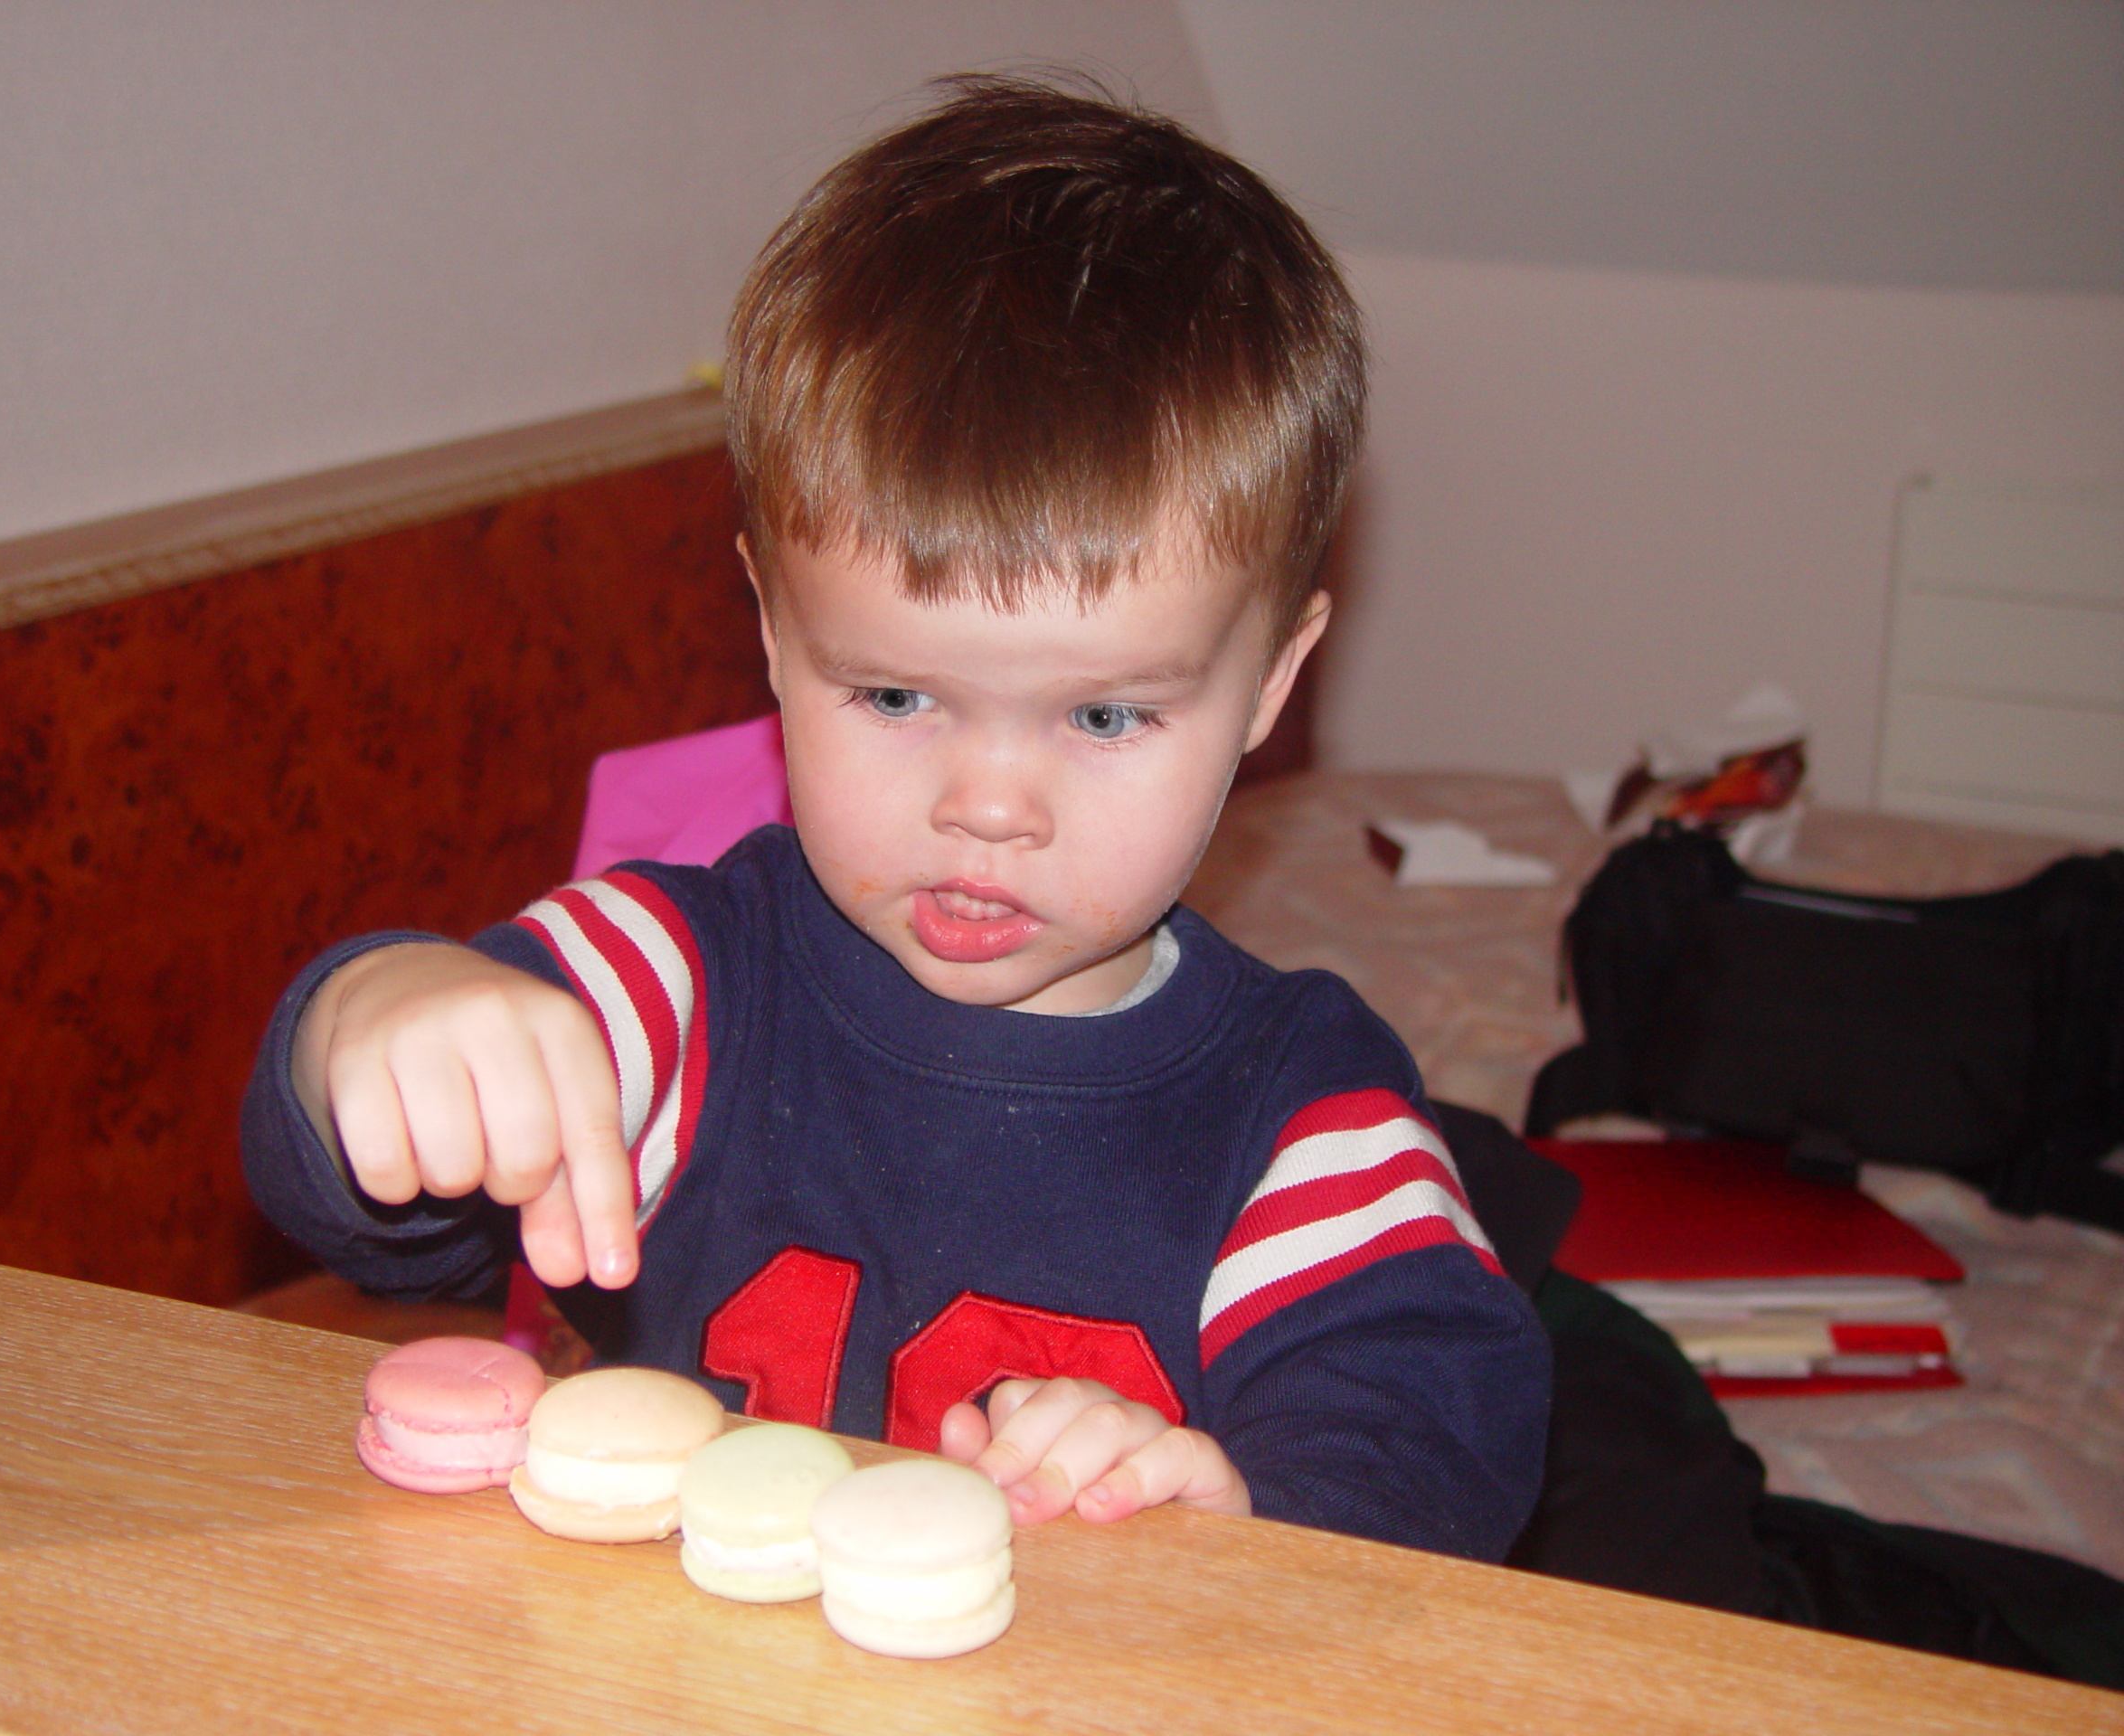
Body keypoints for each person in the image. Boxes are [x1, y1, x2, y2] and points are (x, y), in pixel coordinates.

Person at [243, 74, 1549, 1558]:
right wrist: (374, 1017)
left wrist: (1240, 1513)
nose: (986, 807)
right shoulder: (675, 979)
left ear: (1271, 684)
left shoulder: (1302, 1115)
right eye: (894, 699)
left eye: (1106, 716)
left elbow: (1440, 1442)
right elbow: (364, 1208)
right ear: (773, 632)